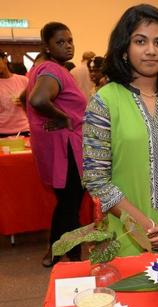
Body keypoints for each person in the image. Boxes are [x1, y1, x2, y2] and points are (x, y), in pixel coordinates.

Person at [83, 4, 158, 256]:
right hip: (126, 232)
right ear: (125, 49)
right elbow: (96, 179)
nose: (151, 51)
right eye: (140, 41)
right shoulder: (104, 102)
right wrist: (144, 226)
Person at [26, 22, 86, 267]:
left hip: (59, 148)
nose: (68, 46)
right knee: (70, 203)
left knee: (67, 202)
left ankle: (60, 250)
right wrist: (62, 117)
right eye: (60, 42)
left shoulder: (43, 69)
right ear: (47, 47)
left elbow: (25, 99)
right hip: (66, 150)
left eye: (69, 40)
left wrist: (56, 116)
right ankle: (68, 254)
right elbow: (38, 99)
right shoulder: (52, 69)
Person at [0, 51, 30, 136]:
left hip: (24, 130)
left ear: (5, 59)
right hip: (1, 132)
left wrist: (25, 102)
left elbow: (35, 104)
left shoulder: (23, 80)